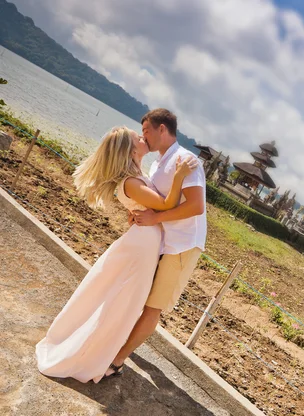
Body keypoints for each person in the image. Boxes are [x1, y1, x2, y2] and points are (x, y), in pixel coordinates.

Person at [36, 125, 198, 383]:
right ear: (131, 149)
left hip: (144, 246)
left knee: (122, 303)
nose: (143, 137)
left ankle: (102, 350)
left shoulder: (138, 175)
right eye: (138, 137)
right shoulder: (131, 182)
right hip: (141, 248)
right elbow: (167, 204)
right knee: (121, 303)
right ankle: (95, 352)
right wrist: (180, 176)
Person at [104, 108, 206, 377]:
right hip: (160, 242)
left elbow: (196, 206)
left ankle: (117, 360)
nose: (143, 136)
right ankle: (118, 346)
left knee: (152, 307)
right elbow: (154, 198)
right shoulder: (158, 163)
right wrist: (138, 210)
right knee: (139, 298)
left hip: (181, 245)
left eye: (147, 130)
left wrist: (155, 217)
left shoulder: (186, 159)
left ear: (162, 129)